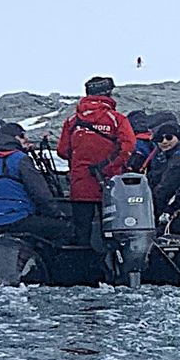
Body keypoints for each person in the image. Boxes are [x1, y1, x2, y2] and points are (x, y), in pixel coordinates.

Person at [55, 77, 136, 245]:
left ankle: (83, 265)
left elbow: (62, 151)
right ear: (109, 93)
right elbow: (128, 146)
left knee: (82, 232)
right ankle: (112, 267)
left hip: (80, 185)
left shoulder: (72, 121)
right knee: (112, 232)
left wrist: (80, 159)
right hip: (109, 184)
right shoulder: (117, 119)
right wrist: (110, 167)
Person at [0, 119, 73, 244]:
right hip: (15, 219)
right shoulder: (20, 159)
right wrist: (56, 213)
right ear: (16, 137)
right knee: (64, 227)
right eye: (23, 136)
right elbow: (40, 193)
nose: (26, 140)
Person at [146, 121, 180, 230]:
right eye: (160, 139)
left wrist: (154, 210)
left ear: (178, 137)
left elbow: (167, 187)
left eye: (169, 137)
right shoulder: (162, 156)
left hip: (177, 206)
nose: (164, 142)